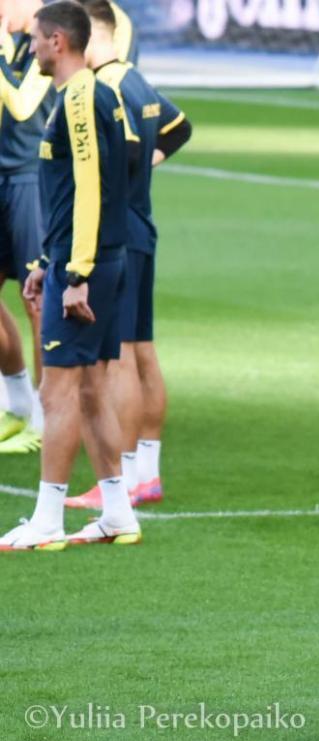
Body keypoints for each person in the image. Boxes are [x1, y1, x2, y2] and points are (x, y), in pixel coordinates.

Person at [0, 0, 138, 551]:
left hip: (85, 266)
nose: (30, 47)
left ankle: (47, 519)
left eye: (36, 38)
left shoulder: (79, 98)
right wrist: (44, 263)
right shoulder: (93, 95)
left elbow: (89, 187)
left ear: (58, 41)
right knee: (92, 390)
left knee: (57, 393)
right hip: (97, 259)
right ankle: (118, 513)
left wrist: (75, 271)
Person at [64, 0, 190, 514]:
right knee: (141, 350)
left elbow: (122, 155)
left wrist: (122, 182)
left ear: (94, 35)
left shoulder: (107, 88)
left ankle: (124, 476)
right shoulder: (137, 81)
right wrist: (143, 172)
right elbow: (180, 127)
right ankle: (147, 474)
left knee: (117, 357)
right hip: (142, 226)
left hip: (117, 233)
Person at [0, 0, 53, 454]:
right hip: (1, 177)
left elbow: (21, 106)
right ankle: (16, 404)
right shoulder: (12, 40)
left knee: (36, 301)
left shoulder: (47, 41)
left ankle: (45, 417)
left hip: (30, 180)